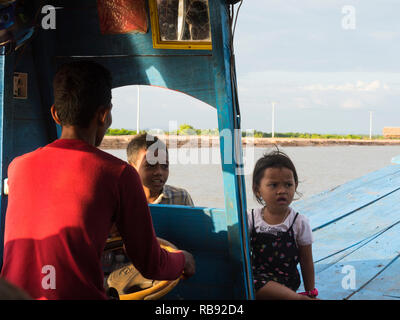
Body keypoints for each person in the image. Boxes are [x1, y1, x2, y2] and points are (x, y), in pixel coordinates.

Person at [0, 61, 195, 300]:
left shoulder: (18, 167)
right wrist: (182, 259)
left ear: (55, 114)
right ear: (104, 115)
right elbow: (151, 263)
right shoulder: (118, 174)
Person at [248, 150, 317, 300]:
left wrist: (311, 292)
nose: (282, 191)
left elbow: (306, 260)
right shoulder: (251, 219)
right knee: (247, 281)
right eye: (273, 185)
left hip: (286, 280)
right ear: (257, 189)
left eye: (288, 184)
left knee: (253, 284)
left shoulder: (299, 222)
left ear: (295, 185)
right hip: (257, 278)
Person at [126, 133, 194, 206]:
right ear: (131, 168)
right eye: (150, 165)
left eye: (165, 166)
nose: (159, 172)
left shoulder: (181, 198)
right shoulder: (122, 198)